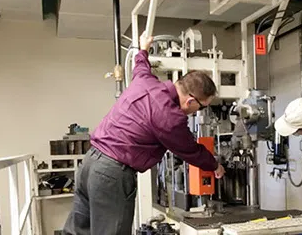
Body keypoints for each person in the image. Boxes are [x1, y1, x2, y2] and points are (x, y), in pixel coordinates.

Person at [62, 31, 225, 235]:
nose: (198, 111)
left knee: (77, 231)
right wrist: (215, 165)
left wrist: (144, 49)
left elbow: (140, 66)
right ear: (190, 101)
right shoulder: (170, 117)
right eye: (201, 107)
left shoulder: (144, 81)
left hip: (89, 163)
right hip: (112, 174)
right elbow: (190, 150)